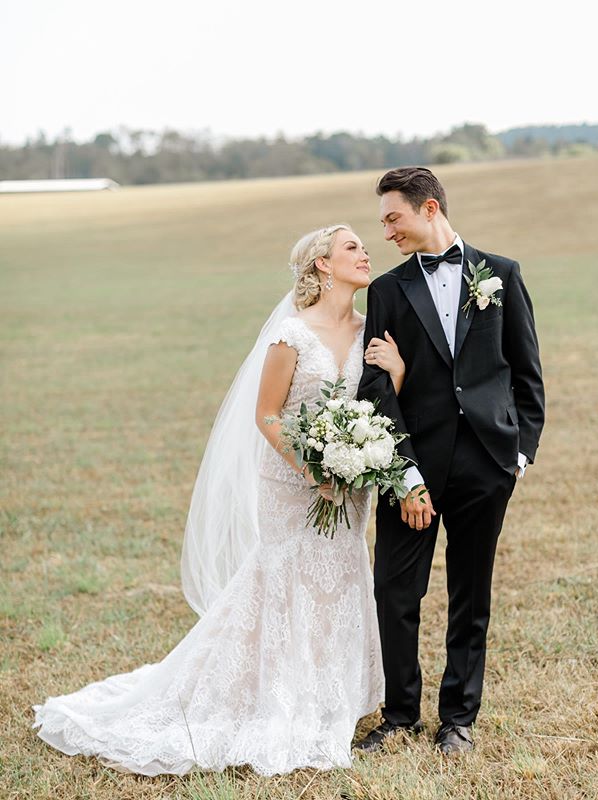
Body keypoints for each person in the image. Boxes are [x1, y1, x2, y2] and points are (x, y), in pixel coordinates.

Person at [33, 224, 406, 776]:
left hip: (351, 487)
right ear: (323, 265)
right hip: (291, 481)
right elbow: (267, 415)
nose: (364, 253)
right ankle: (276, 696)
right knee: (285, 579)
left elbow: (376, 410)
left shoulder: (372, 332)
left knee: (342, 576)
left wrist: (394, 377)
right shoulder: (291, 334)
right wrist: (312, 468)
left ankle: (333, 697)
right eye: (352, 246)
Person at [355, 167, 545, 755]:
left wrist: (517, 455)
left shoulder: (502, 275)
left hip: (486, 465)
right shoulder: (386, 290)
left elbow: (525, 374)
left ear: (429, 208)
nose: (386, 231)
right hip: (412, 466)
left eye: (394, 218)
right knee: (395, 590)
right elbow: (375, 388)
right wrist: (403, 471)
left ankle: (458, 718)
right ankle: (399, 715)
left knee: (471, 594)